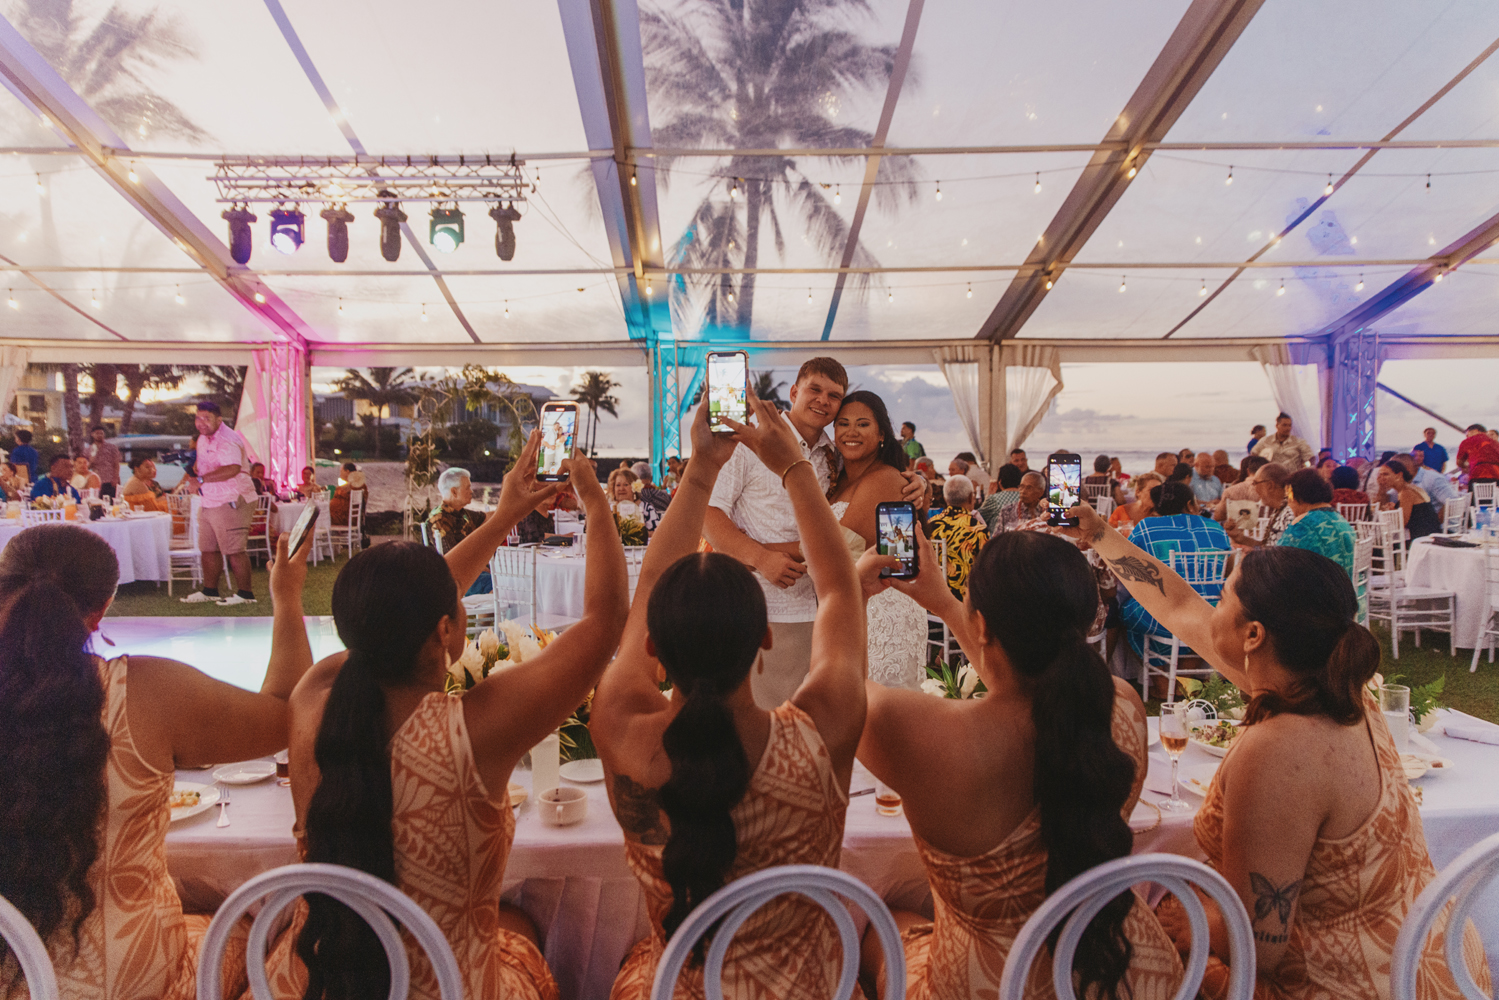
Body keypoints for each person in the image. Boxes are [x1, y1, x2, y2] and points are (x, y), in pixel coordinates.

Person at [254, 430, 627, 1000]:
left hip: (312, 980)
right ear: (446, 629)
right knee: (520, 930)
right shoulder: (476, 731)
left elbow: (407, 609)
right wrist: (595, 501)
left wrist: (502, 518)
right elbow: (604, 621)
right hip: (444, 986)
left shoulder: (313, 698)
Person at [1066, 504, 1492, 1000]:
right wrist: (1099, 533)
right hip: (1437, 960)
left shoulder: (1279, 750)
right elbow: (1179, 604)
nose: (1210, 602)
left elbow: (1256, 945)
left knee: (1107, 954)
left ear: (1254, 635)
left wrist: (1187, 914)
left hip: (1356, 985)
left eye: (1222, 595)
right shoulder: (1343, 688)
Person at [591, 395, 868, 1000]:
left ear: (655, 651)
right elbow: (841, 594)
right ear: (765, 637)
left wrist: (700, 471)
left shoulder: (620, 728)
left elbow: (643, 600)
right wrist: (795, 466)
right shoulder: (821, 733)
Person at [854, 526, 1184, 1000]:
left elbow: (843, 694)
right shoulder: (1122, 706)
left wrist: (852, 593)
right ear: (1091, 617)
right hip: (1122, 969)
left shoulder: (925, 733)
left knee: (889, 922)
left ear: (982, 625)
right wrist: (948, 604)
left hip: (996, 984)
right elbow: (1029, 688)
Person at [0, 523, 317, 1000]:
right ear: (102, 610)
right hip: (132, 984)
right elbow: (288, 713)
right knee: (260, 920)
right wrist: (286, 598)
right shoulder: (145, 694)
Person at [704, 358, 926, 708]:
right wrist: (759, 558)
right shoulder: (749, 441)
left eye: (834, 395)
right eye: (815, 390)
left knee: (818, 724)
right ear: (794, 392)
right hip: (764, 605)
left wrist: (916, 481)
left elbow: (846, 527)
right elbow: (708, 511)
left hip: (825, 608)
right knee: (765, 721)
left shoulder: (831, 455)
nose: (824, 400)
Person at [828, 391, 929, 689]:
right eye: (843, 423)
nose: (851, 432)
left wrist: (756, 551)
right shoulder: (838, 480)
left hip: (883, 613)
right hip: (851, 605)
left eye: (862, 424)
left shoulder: (884, 479)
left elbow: (833, 548)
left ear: (882, 434)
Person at [1118, 481, 1232, 659]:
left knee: (1128, 611)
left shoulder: (1147, 527)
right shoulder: (1215, 527)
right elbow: (1228, 571)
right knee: (1180, 619)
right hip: (1213, 614)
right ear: (1189, 505)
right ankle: (1189, 683)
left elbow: (1127, 568)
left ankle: (1165, 685)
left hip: (1167, 615)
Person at [179, 401, 259, 606]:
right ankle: (210, 591)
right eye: (198, 418)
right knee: (208, 548)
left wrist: (202, 480)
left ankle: (245, 594)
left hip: (232, 498)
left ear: (219, 420)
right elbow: (200, 465)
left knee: (234, 549)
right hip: (210, 499)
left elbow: (232, 468)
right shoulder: (202, 439)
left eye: (207, 418)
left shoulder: (227, 439)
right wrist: (191, 469)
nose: (201, 423)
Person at [1278, 469, 1357, 578]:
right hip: (1349, 591)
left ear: (1296, 497)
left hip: (1323, 592)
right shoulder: (1340, 519)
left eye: (1288, 498)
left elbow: (1278, 562)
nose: (1289, 505)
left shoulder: (1304, 524)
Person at [927, 475, 989, 602]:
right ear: (971, 497)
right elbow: (987, 569)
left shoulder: (929, 525)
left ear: (945, 498)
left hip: (932, 599)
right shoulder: (977, 529)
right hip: (965, 602)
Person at [1226, 462, 1292, 548]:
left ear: (1270, 485)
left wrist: (1254, 553)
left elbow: (1281, 554)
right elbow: (1268, 546)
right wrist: (1240, 537)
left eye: (1255, 483)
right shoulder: (1279, 510)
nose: (1255, 489)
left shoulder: (1290, 513)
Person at [1377, 460, 1441, 541]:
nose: (1381, 478)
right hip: (1429, 534)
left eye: (1385, 474)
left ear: (1399, 475)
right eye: (1380, 474)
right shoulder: (1412, 488)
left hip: (1422, 538)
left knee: (1378, 545)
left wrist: (1382, 491)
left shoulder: (1406, 493)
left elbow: (1400, 524)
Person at [428, 466, 485, 554]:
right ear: (454, 492)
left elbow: (486, 518)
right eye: (467, 488)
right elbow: (452, 557)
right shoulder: (439, 520)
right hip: (456, 566)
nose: (471, 491)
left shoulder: (461, 513)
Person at [975, 463, 1022, 533]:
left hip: (999, 540)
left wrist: (988, 495)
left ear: (1000, 482)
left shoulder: (994, 499)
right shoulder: (1027, 498)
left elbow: (978, 518)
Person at [630, 461, 673, 532]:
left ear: (633, 480)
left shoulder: (634, 499)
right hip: (666, 532)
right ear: (651, 478)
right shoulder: (666, 497)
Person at [85, 426, 121, 499]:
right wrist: (92, 459)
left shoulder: (111, 447)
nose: (99, 435)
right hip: (97, 480)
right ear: (92, 434)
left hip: (110, 479)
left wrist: (115, 478)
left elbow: (116, 464)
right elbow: (87, 467)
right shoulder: (88, 449)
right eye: (97, 433)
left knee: (111, 501)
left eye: (101, 433)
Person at [329, 462, 367, 528]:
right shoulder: (351, 484)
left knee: (321, 516)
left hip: (345, 517)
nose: (340, 474)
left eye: (341, 471)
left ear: (347, 471)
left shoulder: (357, 485)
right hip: (342, 515)